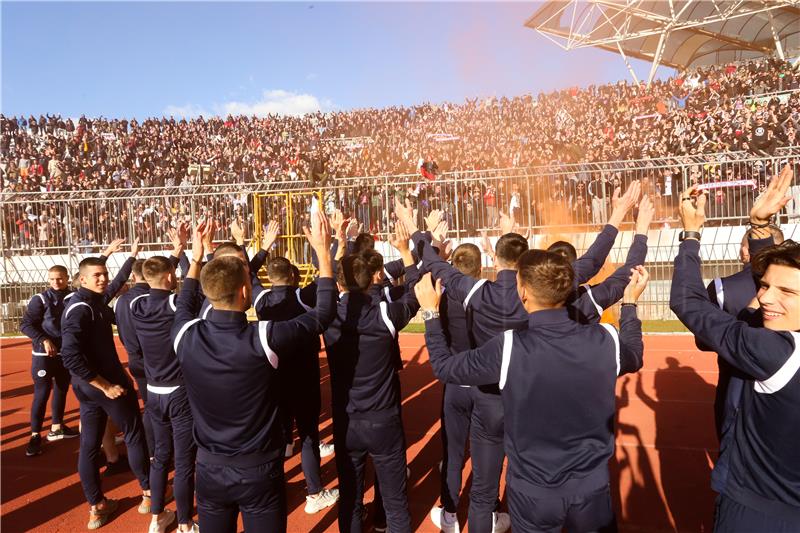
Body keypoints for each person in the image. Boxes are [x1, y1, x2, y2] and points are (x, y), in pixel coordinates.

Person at [401, 184, 640, 533]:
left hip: (490, 403)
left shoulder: (485, 299)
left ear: (522, 288)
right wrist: (626, 220)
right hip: (548, 434)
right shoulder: (587, 321)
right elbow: (600, 266)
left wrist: (420, 236)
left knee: (483, 490)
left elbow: (440, 270)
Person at [171, 210, 336, 533]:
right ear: (246, 293)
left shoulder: (184, 334)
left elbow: (186, 301)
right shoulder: (264, 337)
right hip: (258, 469)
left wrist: (195, 257)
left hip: (208, 468)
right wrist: (323, 252)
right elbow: (324, 314)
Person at [670, 171, 800, 531]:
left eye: (786, 293)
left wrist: (691, 235)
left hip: (755, 511)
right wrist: (761, 225)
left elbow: (688, 303)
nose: (763, 297)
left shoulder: (774, 352)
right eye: (764, 286)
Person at [324, 221, 420, 533]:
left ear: (339, 287)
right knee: (394, 501)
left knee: (350, 497)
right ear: (371, 283)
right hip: (383, 420)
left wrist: (328, 251)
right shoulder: (385, 315)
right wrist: (407, 252)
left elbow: (317, 289)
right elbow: (418, 292)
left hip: (347, 421)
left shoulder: (325, 315)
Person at [60, 240, 152, 530]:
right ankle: (149, 495)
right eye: (96, 275)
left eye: (104, 273)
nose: (103, 279)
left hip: (89, 389)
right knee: (134, 432)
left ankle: (97, 506)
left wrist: (122, 257)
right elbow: (70, 355)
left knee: (91, 443)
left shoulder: (93, 300)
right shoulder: (79, 309)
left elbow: (113, 286)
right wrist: (104, 385)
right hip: (102, 386)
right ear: (81, 280)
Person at [20, 238, 134, 458]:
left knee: (65, 392)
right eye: (52, 279)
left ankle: (57, 427)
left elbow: (95, 273)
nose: (56, 282)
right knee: (42, 393)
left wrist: (107, 252)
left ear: (68, 280)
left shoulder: (75, 297)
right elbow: (25, 324)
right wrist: (43, 339)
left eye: (60, 278)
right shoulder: (41, 299)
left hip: (68, 354)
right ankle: (35, 435)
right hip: (45, 355)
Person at [252, 251, 340, 515]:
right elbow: (328, 276)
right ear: (293, 275)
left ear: (269, 277)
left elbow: (248, 273)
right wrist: (330, 245)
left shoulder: (261, 300)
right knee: (310, 436)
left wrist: (262, 250)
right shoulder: (303, 296)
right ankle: (314, 493)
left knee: (279, 438)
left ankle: (274, 490)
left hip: (275, 380)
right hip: (304, 379)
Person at [129, 254, 199, 533]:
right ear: (170, 277)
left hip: (152, 392)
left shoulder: (135, 305)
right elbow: (193, 288)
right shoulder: (174, 304)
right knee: (183, 462)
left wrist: (174, 252)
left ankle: (157, 518)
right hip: (178, 392)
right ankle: (184, 522)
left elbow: (155, 278)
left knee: (160, 457)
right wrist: (194, 255)